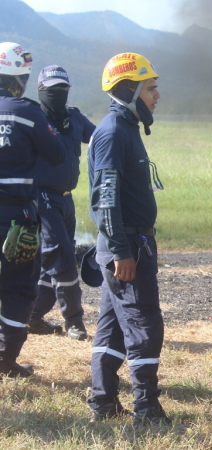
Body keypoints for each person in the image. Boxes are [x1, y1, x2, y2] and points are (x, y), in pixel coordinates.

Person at [86, 52, 171, 427]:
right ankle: (147, 411)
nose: (157, 95)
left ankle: (103, 401)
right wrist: (121, 250)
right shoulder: (112, 132)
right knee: (143, 326)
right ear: (130, 89)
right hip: (126, 248)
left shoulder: (126, 128)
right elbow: (105, 200)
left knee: (113, 325)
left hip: (130, 245)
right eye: (151, 88)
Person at [0, 42, 65, 378]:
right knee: (20, 285)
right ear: (20, 77)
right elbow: (56, 153)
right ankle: (5, 357)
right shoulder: (26, 111)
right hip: (16, 216)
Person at [27, 65, 96, 341]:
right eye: (52, 90)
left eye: (63, 89)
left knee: (50, 264)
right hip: (41, 198)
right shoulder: (33, 118)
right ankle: (74, 321)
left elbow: (99, 138)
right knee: (65, 259)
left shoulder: (74, 118)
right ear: (41, 90)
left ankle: (32, 315)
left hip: (66, 199)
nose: (58, 94)